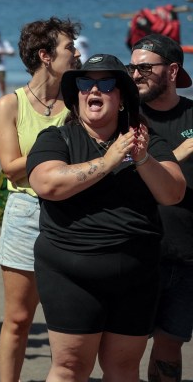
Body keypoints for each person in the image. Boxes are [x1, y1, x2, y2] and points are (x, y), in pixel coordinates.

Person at [27, 53, 184, 380]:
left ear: (122, 98)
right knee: (70, 367)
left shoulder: (147, 143)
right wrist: (109, 161)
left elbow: (173, 192)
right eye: (85, 83)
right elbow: (47, 183)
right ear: (76, 95)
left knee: (123, 369)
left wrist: (141, 159)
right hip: (70, 273)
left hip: (135, 275)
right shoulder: (58, 138)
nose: (93, 90)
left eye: (106, 83)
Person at [0, 17, 80, 382]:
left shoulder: (78, 102)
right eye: (69, 48)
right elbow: (12, 169)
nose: (76, 54)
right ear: (45, 55)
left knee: (72, 318)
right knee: (18, 318)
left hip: (72, 210)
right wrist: (57, 148)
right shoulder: (9, 105)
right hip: (26, 211)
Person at [129, 35, 193, 382]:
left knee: (170, 345)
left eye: (144, 67)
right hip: (134, 252)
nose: (135, 74)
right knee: (125, 346)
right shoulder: (123, 118)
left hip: (185, 256)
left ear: (171, 71)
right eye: (131, 66)